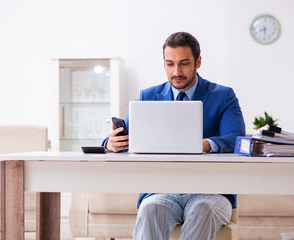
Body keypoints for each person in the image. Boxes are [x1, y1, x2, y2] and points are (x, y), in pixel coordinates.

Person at [102, 32, 246, 240]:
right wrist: (111, 143)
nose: (176, 71)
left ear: (198, 62)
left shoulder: (223, 96)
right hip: (161, 191)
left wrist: (203, 145)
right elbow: (116, 140)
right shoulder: (148, 97)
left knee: (201, 211)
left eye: (184, 64)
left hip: (211, 192)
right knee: (150, 210)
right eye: (170, 64)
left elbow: (237, 140)